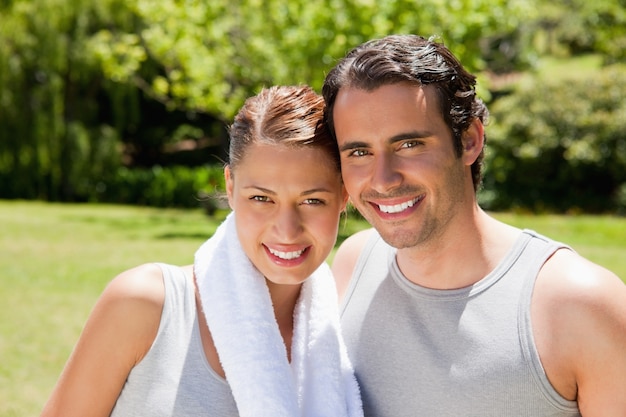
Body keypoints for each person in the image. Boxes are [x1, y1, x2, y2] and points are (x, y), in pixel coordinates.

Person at [322, 34, 626, 416]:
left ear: (469, 140)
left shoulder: (579, 303)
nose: (383, 179)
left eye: (409, 145)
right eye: (360, 152)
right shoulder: (353, 264)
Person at [41, 85, 363, 417]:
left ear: (343, 196)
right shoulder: (145, 305)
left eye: (312, 200)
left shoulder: (345, 330)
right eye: (261, 198)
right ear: (230, 186)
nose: (287, 229)